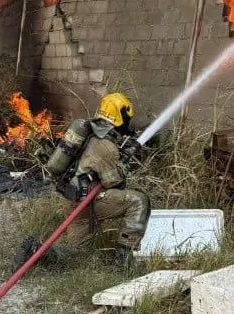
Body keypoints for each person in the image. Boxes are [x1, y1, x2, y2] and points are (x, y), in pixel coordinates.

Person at [15, 93, 151, 268]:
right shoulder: (107, 146)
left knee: (78, 255)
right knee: (139, 201)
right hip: (87, 203)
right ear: (120, 117)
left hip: (72, 200)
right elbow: (115, 183)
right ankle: (122, 262)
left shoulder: (89, 131)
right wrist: (124, 162)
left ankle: (35, 251)